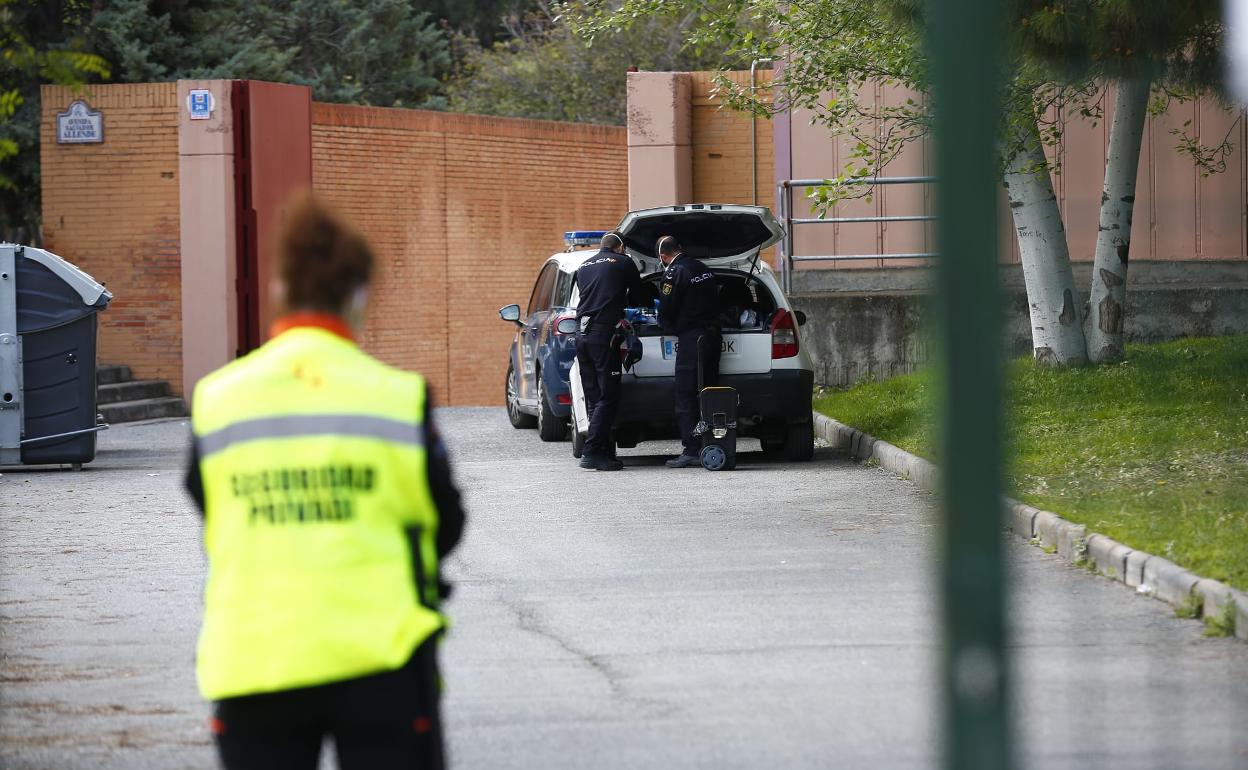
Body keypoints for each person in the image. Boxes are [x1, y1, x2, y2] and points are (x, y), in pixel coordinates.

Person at [183, 194, 465, 770]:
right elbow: (447, 520)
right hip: (381, 661)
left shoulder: (218, 400)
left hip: (254, 661)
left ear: (280, 290)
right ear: (359, 295)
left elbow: (206, 502)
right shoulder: (397, 397)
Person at [573, 231, 642, 471]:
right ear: (620, 247)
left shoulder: (583, 265)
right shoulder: (623, 262)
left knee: (594, 398)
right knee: (607, 397)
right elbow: (638, 295)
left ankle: (602, 451)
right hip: (603, 337)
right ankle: (591, 452)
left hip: (582, 336)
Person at [656, 235, 721, 468]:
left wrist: (664, 325)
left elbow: (667, 306)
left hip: (692, 339)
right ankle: (713, 443)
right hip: (713, 337)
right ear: (679, 248)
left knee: (685, 394)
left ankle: (692, 449)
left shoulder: (675, 272)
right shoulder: (702, 267)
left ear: (664, 256)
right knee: (710, 392)